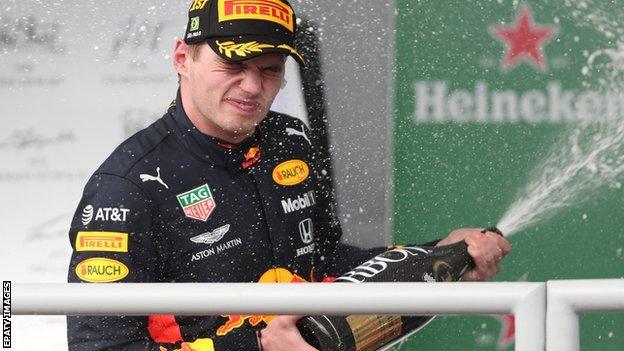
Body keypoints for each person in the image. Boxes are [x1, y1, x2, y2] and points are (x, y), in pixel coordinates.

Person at [66, 0, 511, 350]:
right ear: (182, 58)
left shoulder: (289, 141)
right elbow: (101, 346)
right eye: (232, 66)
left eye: (269, 70)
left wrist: (439, 255)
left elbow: (325, 265)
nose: (252, 87)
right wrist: (255, 344)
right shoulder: (126, 186)